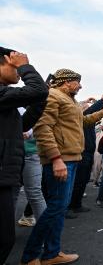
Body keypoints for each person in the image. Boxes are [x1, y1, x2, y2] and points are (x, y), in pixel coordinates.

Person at [21, 68, 103, 264]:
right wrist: (55, 159)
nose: (80, 86)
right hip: (61, 160)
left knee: (59, 208)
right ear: (66, 82)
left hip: (70, 159)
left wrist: (101, 113)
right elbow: (42, 127)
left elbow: (82, 121)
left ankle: (52, 253)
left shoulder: (68, 100)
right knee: (55, 208)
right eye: (77, 82)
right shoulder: (53, 96)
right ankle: (30, 256)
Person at [0, 47, 49, 264]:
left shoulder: (5, 96)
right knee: (3, 238)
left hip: (7, 175)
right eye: (14, 65)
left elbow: (23, 125)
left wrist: (40, 100)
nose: (18, 71)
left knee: (5, 236)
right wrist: (26, 66)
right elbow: (36, 90)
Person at [67, 95, 103, 218]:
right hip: (82, 153)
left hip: (89, 153)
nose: (88, 109)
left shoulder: (89, 122)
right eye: (85, 107)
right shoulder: (80, 118)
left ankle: (77, 204)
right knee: (77, 181)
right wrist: (101, 101)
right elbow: (90, 111)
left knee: (83, 180)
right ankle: (69, 206)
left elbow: (92, 112)